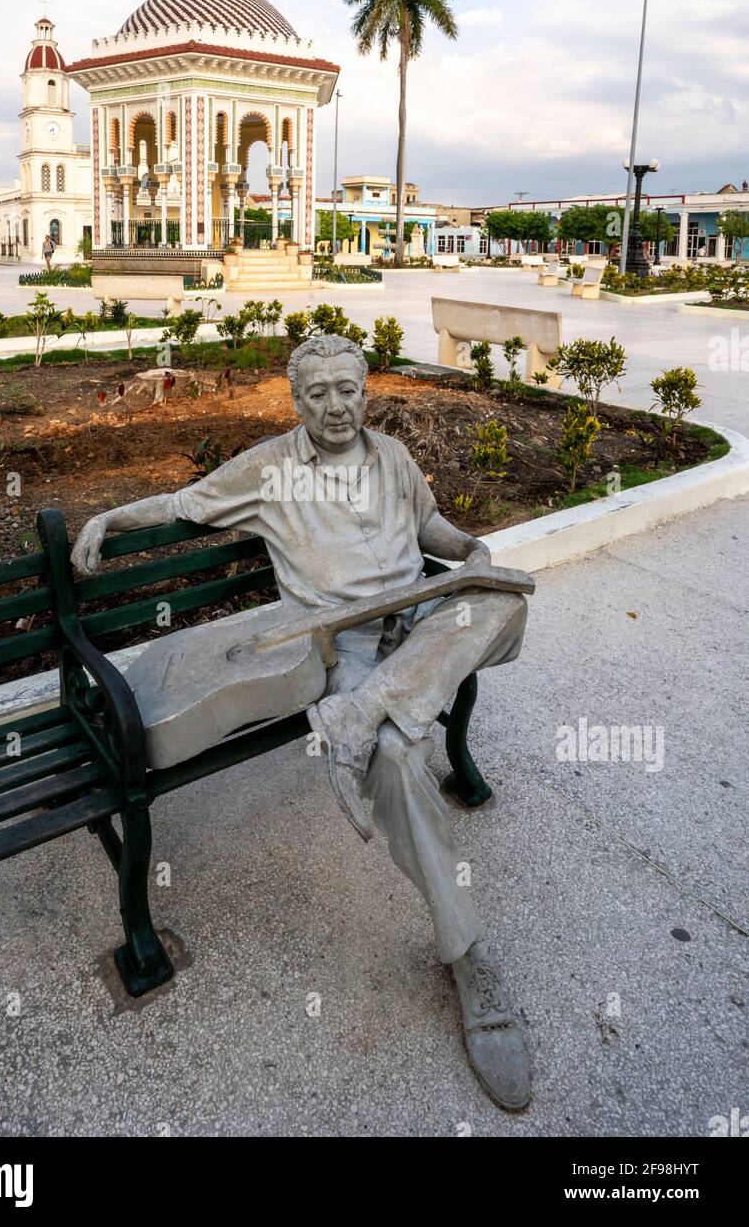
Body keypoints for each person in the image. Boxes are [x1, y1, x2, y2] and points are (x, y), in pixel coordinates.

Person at [71, 334, 532, 1110]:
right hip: (344, 643)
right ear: (295, 401)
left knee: (504, 602)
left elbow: (437, 538)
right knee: (393, 762)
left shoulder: (392, 458)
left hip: (419, 625)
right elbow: (185, 504)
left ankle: (367, 714)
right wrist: (108, 520)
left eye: (346, 389)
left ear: (366, 390)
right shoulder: (269, 468)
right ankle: (469, 958)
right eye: (316, 393)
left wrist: (475, 551)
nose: (335, 406)